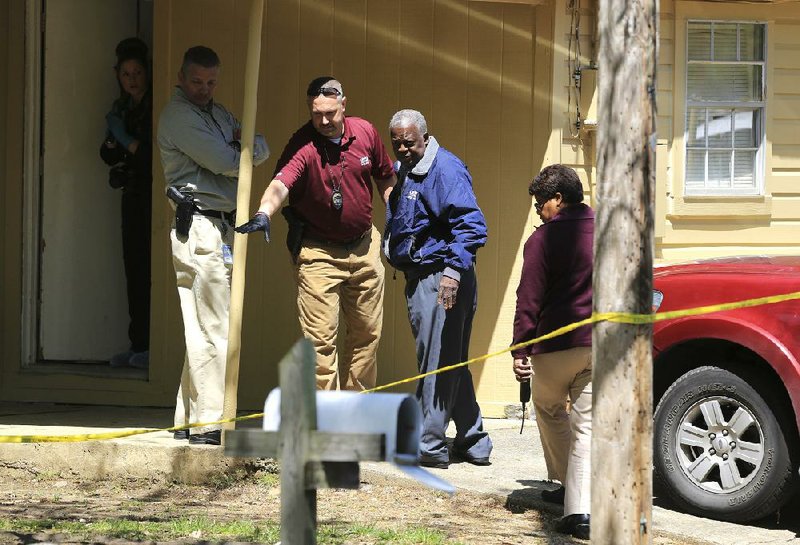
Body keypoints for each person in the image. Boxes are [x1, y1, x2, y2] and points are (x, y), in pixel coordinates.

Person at [236, 76, 395, 391]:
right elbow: (282, 182)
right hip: (318, 253)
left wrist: (397, 215)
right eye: (316, 114)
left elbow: (385, 177)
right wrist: (263, 212)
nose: (323, 121)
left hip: (364, 246)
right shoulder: (303, 143)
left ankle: (354, 415)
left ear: (343, 106)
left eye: (330, 114)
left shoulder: (365, 132)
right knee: (320, 342)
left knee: (367, 336)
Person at [157, 46, 270, 445]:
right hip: (200, 223)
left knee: (205, 323)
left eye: (210, 82)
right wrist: (243, 151)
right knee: (213, 326)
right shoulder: (178, 116)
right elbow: (226, 160)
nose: (203, 89)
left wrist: (247, 149)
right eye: (196, 81)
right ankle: (209, 422)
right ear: (182, 77)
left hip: (221, 225)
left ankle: (187, 417)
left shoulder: (217, 113)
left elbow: (258, 142)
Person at [383, 109, 492, 469]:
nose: (402, 148)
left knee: (436, 365)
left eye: (409, 142)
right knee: (449, 361)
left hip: (441, 277)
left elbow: (472, 225)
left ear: (425, 137)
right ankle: (474, 441)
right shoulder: (408, 170)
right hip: (423, 277)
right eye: (396, 142)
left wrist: (452, 273)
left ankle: (428, 444)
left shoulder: (444, 168)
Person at [511, 164, 593, 539]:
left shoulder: (542, 240)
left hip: (556, 346)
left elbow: (528, 298)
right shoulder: (610, 230)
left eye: (540, 203)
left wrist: (520, 348)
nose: (538, 211)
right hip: (603, 344)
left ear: (558, 200)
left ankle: (567, 491)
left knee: (547, 408)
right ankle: (580, 506)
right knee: (587, 426)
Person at [100, 37, 152, 369]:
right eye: (126, 74)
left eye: (137, 72)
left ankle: (152, 348)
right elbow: (106, 154)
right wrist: (117, 140)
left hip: (151, 198)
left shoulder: (153, 106)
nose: (132, 79)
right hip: (130, 196)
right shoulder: (123, 108)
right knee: (132, 268)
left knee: (148, 270)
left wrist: (124, 139)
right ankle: (138, 345)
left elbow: (148, 156)